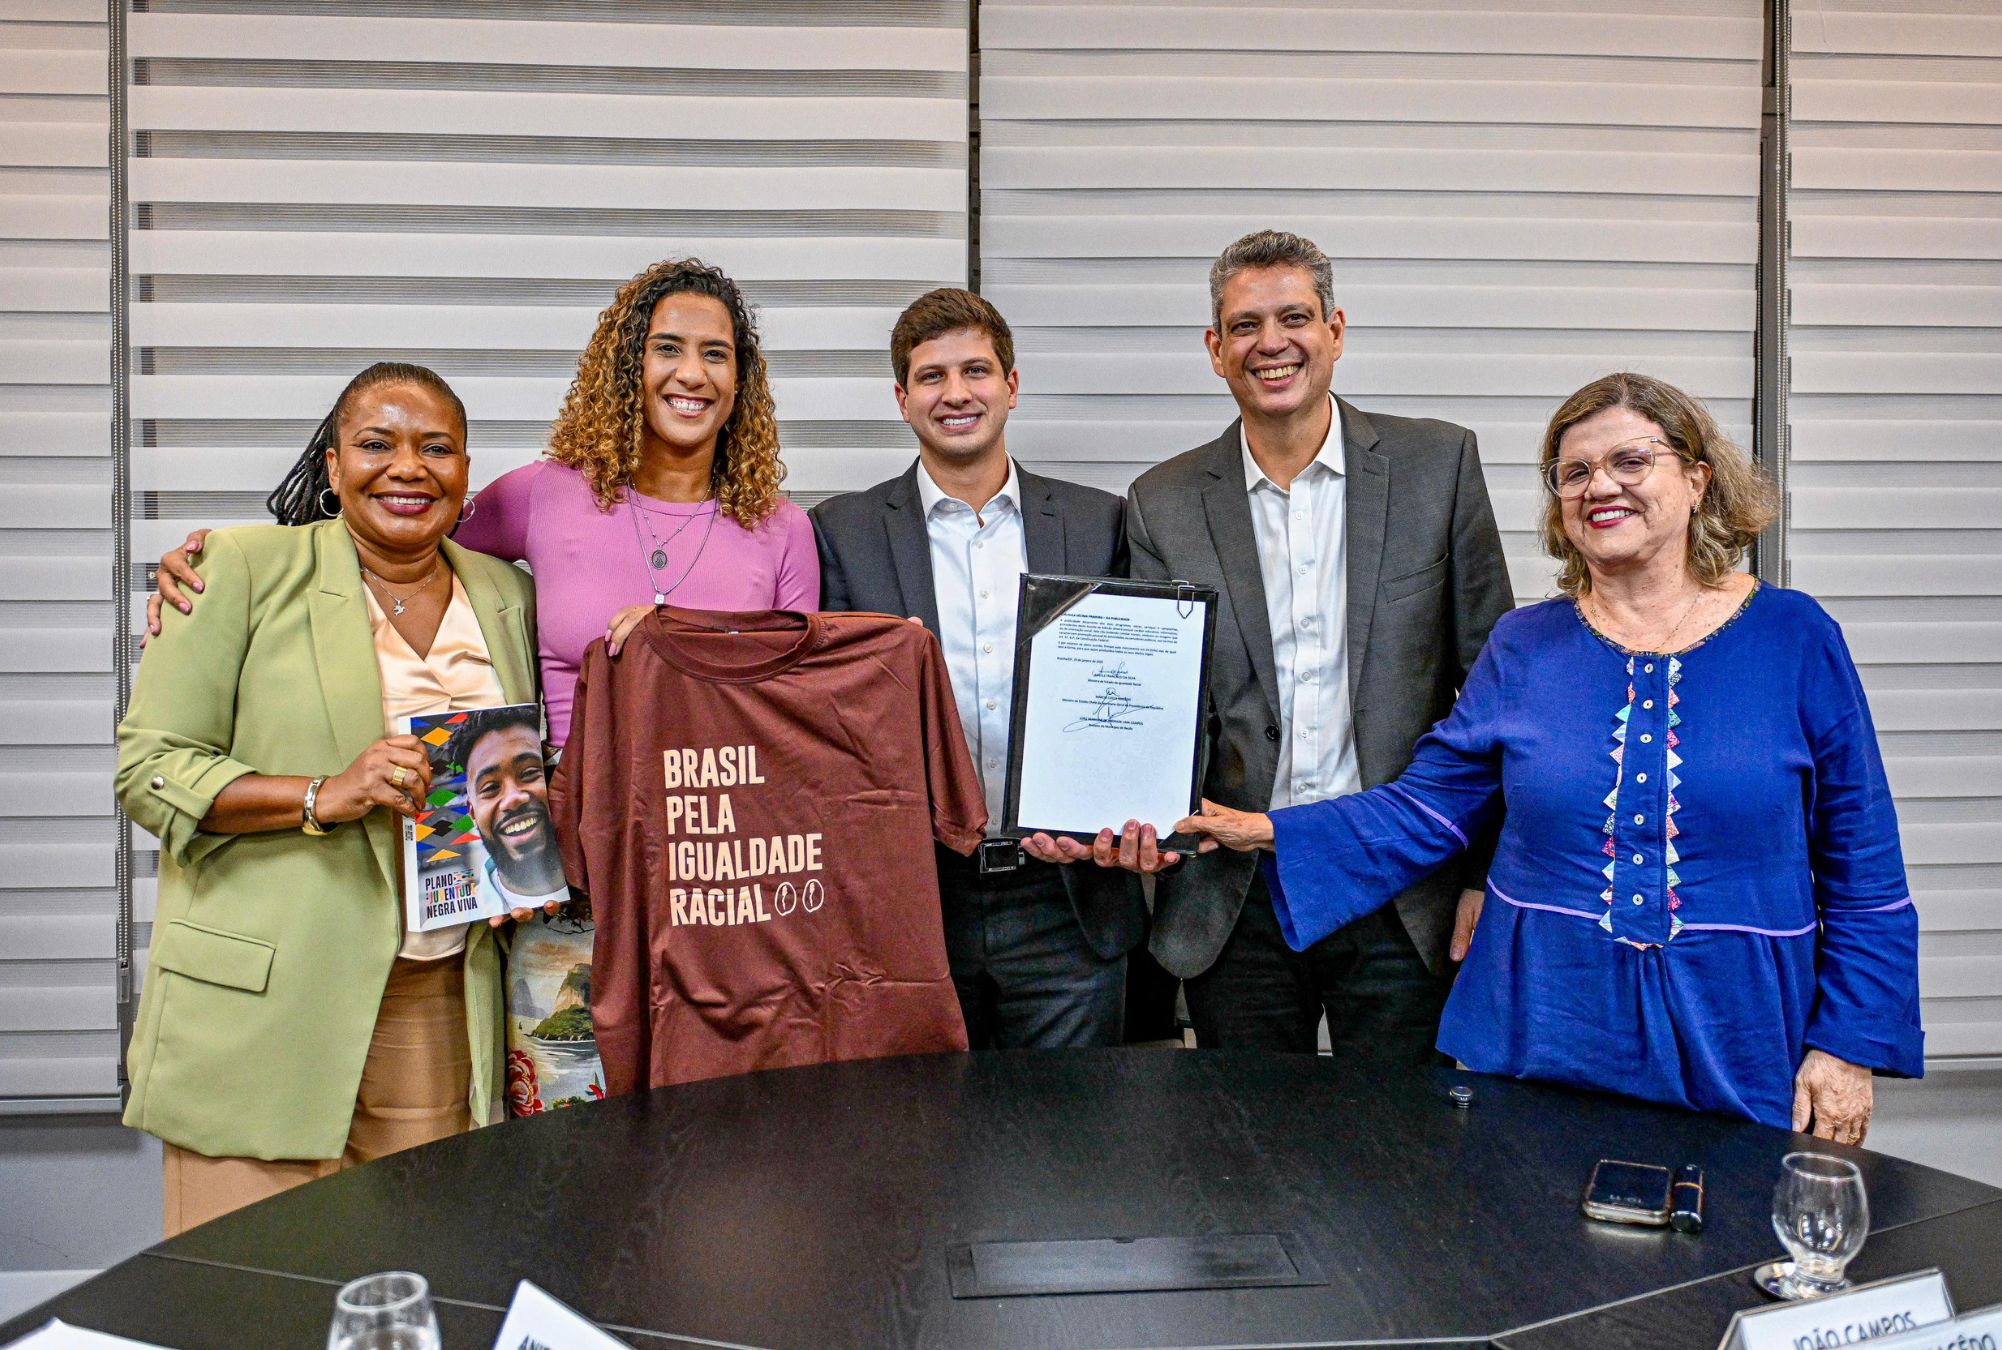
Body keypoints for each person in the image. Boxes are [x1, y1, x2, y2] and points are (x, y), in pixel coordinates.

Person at [1176, 372, 1922, 1142]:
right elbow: (1428, 807)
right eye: (1575, 473)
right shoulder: (1526, 644)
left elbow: (1864, 870)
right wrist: (1269, 831)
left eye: (1631, 462)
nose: (1601, 486)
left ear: (1697, 480)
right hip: (1544, 1033)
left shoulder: (1795, 637)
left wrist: (1846, 1046)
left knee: (1732, 1249)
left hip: (1736, 1034)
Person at [1047, 230, 1513, 1059]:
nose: (1272, 343)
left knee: (1403, 1156)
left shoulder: (1436, 465)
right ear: (1215, 350)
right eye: (1245, 325)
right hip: (1235, 896)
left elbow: (1491, 693)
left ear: (1335, 330)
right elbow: (1159, 706)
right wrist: (1110, 809)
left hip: (1398, 880)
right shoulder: (1163, 502)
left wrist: (1484, 873)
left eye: (1294, 317)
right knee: (1251, 1160)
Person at [117, 363, 545, 1234]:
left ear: (467, 472)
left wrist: (518, 863)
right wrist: (322, 793)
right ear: (333, 461)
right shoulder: (238, 567)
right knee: (255, 1296)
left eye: (437, 448)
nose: (407, 468)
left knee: (411, 1277)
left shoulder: (504, 592)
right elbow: (149, 768)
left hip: (435, 1001)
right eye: (377, 443)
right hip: (265, 1001)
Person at [145, 256, 820, 746]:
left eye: (717, 354)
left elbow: (798, 710)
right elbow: (391, 538)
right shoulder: (546, 494)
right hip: (566, 863)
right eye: (666, 348)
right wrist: (230, 569)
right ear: (627, 370)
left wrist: (688, 640)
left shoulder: (783, 531)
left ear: (741, 383)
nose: (692, 373)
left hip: (726, 851)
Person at [811, 288, 1146, 1048]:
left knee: (1067, 1151)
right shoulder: (842, 533)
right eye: (931, 377)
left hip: (1069, 899)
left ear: (1012, 385)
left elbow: (1132, 698)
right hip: (914, 902)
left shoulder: (1101, 523)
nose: (956, 393)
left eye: (976, 371)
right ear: (902, 399)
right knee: (925, 1145)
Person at [452, 705, 567, 915]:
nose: (513, 799)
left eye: (530, 773)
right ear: (472, 812)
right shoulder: (470, 915)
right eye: (490, 788)